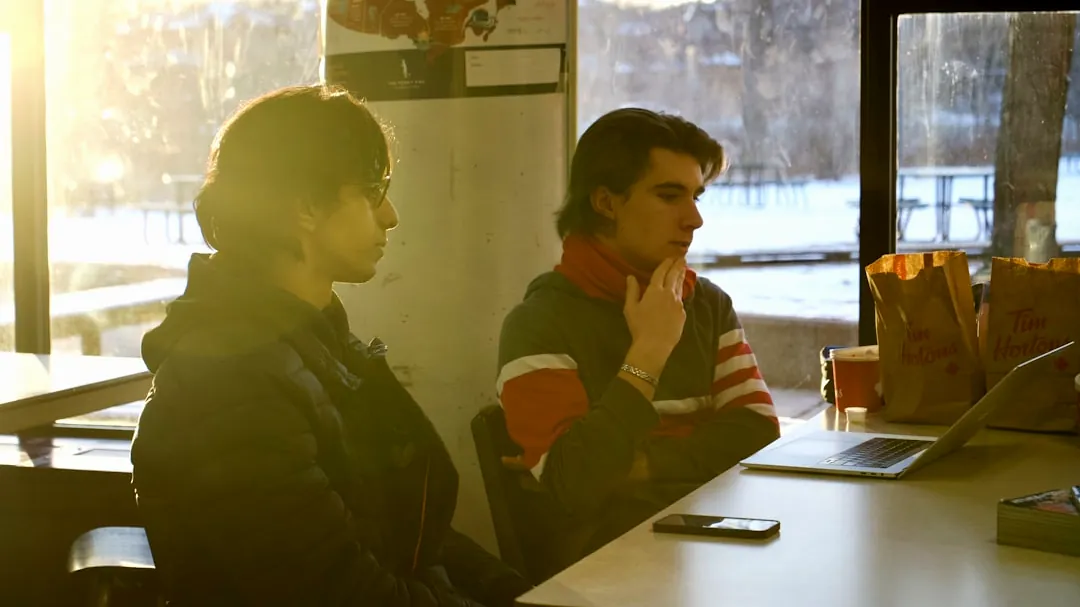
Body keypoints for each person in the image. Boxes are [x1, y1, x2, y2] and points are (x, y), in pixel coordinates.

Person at [131, 85, 531, 607]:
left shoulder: (314, 343)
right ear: (305, 206)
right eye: (372, 191)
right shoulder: (231, 382)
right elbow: (342, 592)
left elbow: (411, 536)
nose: (390, 215)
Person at [496, 108, 781, 572]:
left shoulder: (707, 304)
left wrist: (642, 465)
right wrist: (649, 353)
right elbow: (577, 483)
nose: (694, 219)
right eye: (669, 196)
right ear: (605, 203)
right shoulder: (539, 324)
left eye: (696, 197)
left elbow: (757, 432)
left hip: (712, 547)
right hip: (607, 570)